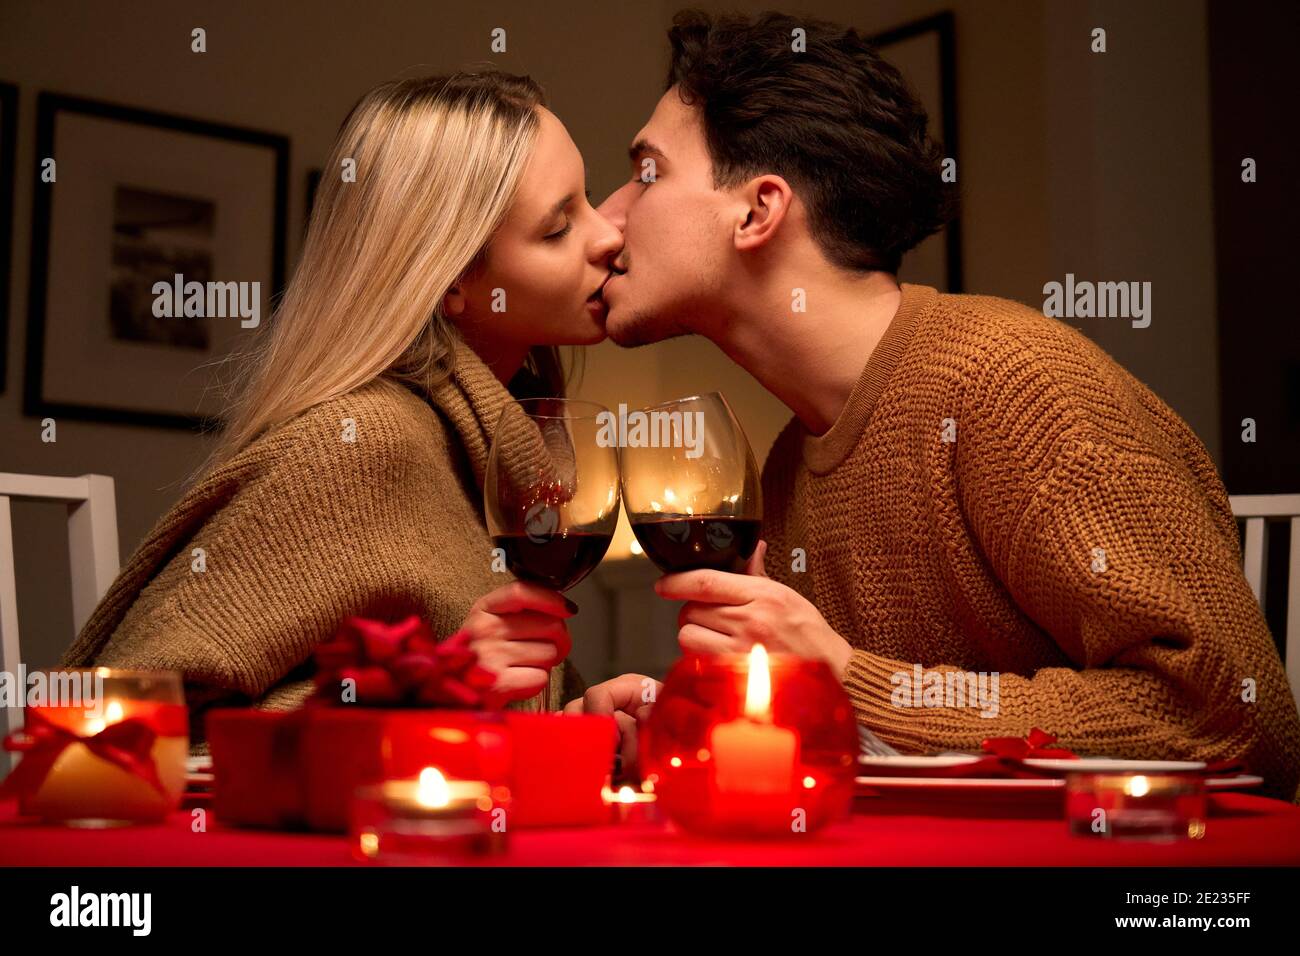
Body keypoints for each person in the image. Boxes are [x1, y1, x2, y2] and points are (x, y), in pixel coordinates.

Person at [583, 10, 1300, 799]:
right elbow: (881, 754)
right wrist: (686, 734)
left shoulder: (1016, 387)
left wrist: (850, 675)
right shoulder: (792, 458)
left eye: (647, 172)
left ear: (758, 211)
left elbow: (1236, 718)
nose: (608, 216)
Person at [62, 71, 623, 745]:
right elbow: (112, 729)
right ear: (450, 280)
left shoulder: (502, 449)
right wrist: (426, 697)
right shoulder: (360, 444)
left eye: (588, 201)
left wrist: (568, 729)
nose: (608, 236)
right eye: (559, 225)